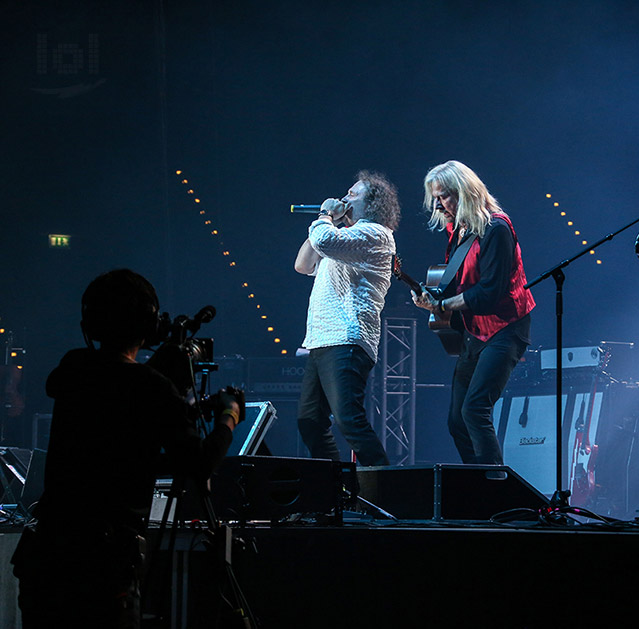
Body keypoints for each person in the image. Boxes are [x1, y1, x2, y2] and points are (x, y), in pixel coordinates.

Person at [11, 268, 240, 628]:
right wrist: (229, 415)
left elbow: (122, 441)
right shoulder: (151, 388)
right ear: (147, 324)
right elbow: (198, 464)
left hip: (46, 560)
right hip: (103, 568)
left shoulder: (73, 367)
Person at [413, 160, 535, 465]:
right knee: (457, 420)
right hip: (474, 331)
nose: (438, 206)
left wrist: (443, 306)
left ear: (465, 193)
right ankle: (475, 484)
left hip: (506, 327)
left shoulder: (496, 228)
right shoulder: (458, 231)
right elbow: (460, 283)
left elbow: (489, 294)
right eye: (435, 199)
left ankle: (494, 491)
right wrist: (435, 299)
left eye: (443, 197)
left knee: (475, 409)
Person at [294, 171, 400, 466]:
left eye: (353, 194)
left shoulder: (375, 234)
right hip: (322, 340)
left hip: (347, 338)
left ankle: (385, 495)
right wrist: (327, 220)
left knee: (349, 420)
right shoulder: (344, 239)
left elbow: (324, 241)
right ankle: (336, 490)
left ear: (373, 204)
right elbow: (302, 265)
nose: (344, 198)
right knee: (310, 421)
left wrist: (326, 216)